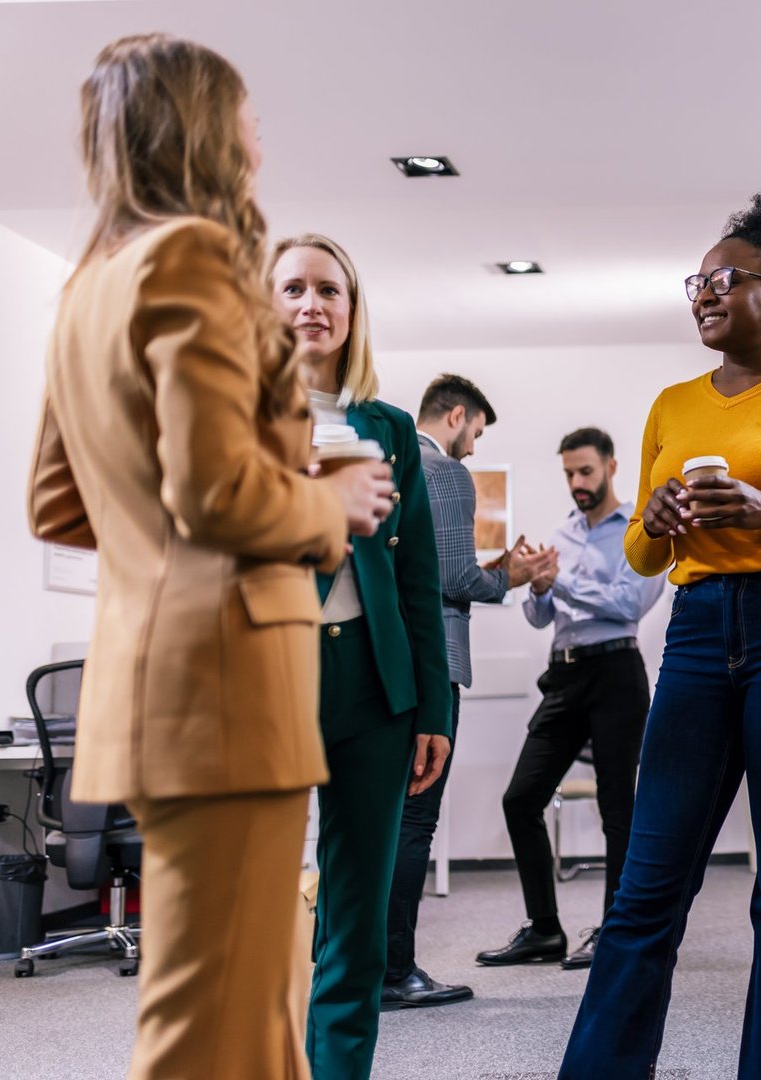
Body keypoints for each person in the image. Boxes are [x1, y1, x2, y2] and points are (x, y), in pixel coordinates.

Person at [27, 33, 394, 1080]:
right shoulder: (191, 257)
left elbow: (59, 503)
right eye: (245, 118)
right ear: (199, 127)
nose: (258, 142)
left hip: (155, 686)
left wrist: (173, 548)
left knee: (252, 1010)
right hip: (229, 686)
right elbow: (216, 490)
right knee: (209, 1028)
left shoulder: (87, 286)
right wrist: (330, 501)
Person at [557, 194, 761, 1080]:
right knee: (646, 887)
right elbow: (639, 553)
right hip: (700, 632)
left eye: (722, 278)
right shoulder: (671, 405)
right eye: (695, 281)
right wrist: (658, 517)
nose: (702, 293)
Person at [269, 233, 453, 1079]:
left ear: (352, 309)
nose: (313, 304)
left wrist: (433, 709)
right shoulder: (232, 414)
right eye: (294, 288)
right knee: (252, 909)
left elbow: (419, 579)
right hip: (267, 678)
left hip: (377, 690)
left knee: (357, 916)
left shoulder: (390, 428)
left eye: (329, 290)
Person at [476, 426, 663, 972]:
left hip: (616, 672)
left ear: (610, 465)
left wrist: (559, 581)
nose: (577, 483)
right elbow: (540, 617)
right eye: (568, 474)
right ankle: (544, 929)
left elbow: (628, 604)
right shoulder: (563, 532)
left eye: (585, 471)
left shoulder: (637, 531)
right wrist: (538, 586)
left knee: (617, 809)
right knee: (520, 799)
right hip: (564, 674)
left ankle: (616, 930)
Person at [383, 374, 543, 1009]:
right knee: (414, 819)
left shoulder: (390, 461)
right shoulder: (443, 471)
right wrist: (511, 575)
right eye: (475, 432)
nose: (473, 447)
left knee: (378, 818)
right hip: (431, 664)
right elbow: (451, 577)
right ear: (455, 417)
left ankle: (356, 963)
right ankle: (395, 972)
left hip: (385, 662)